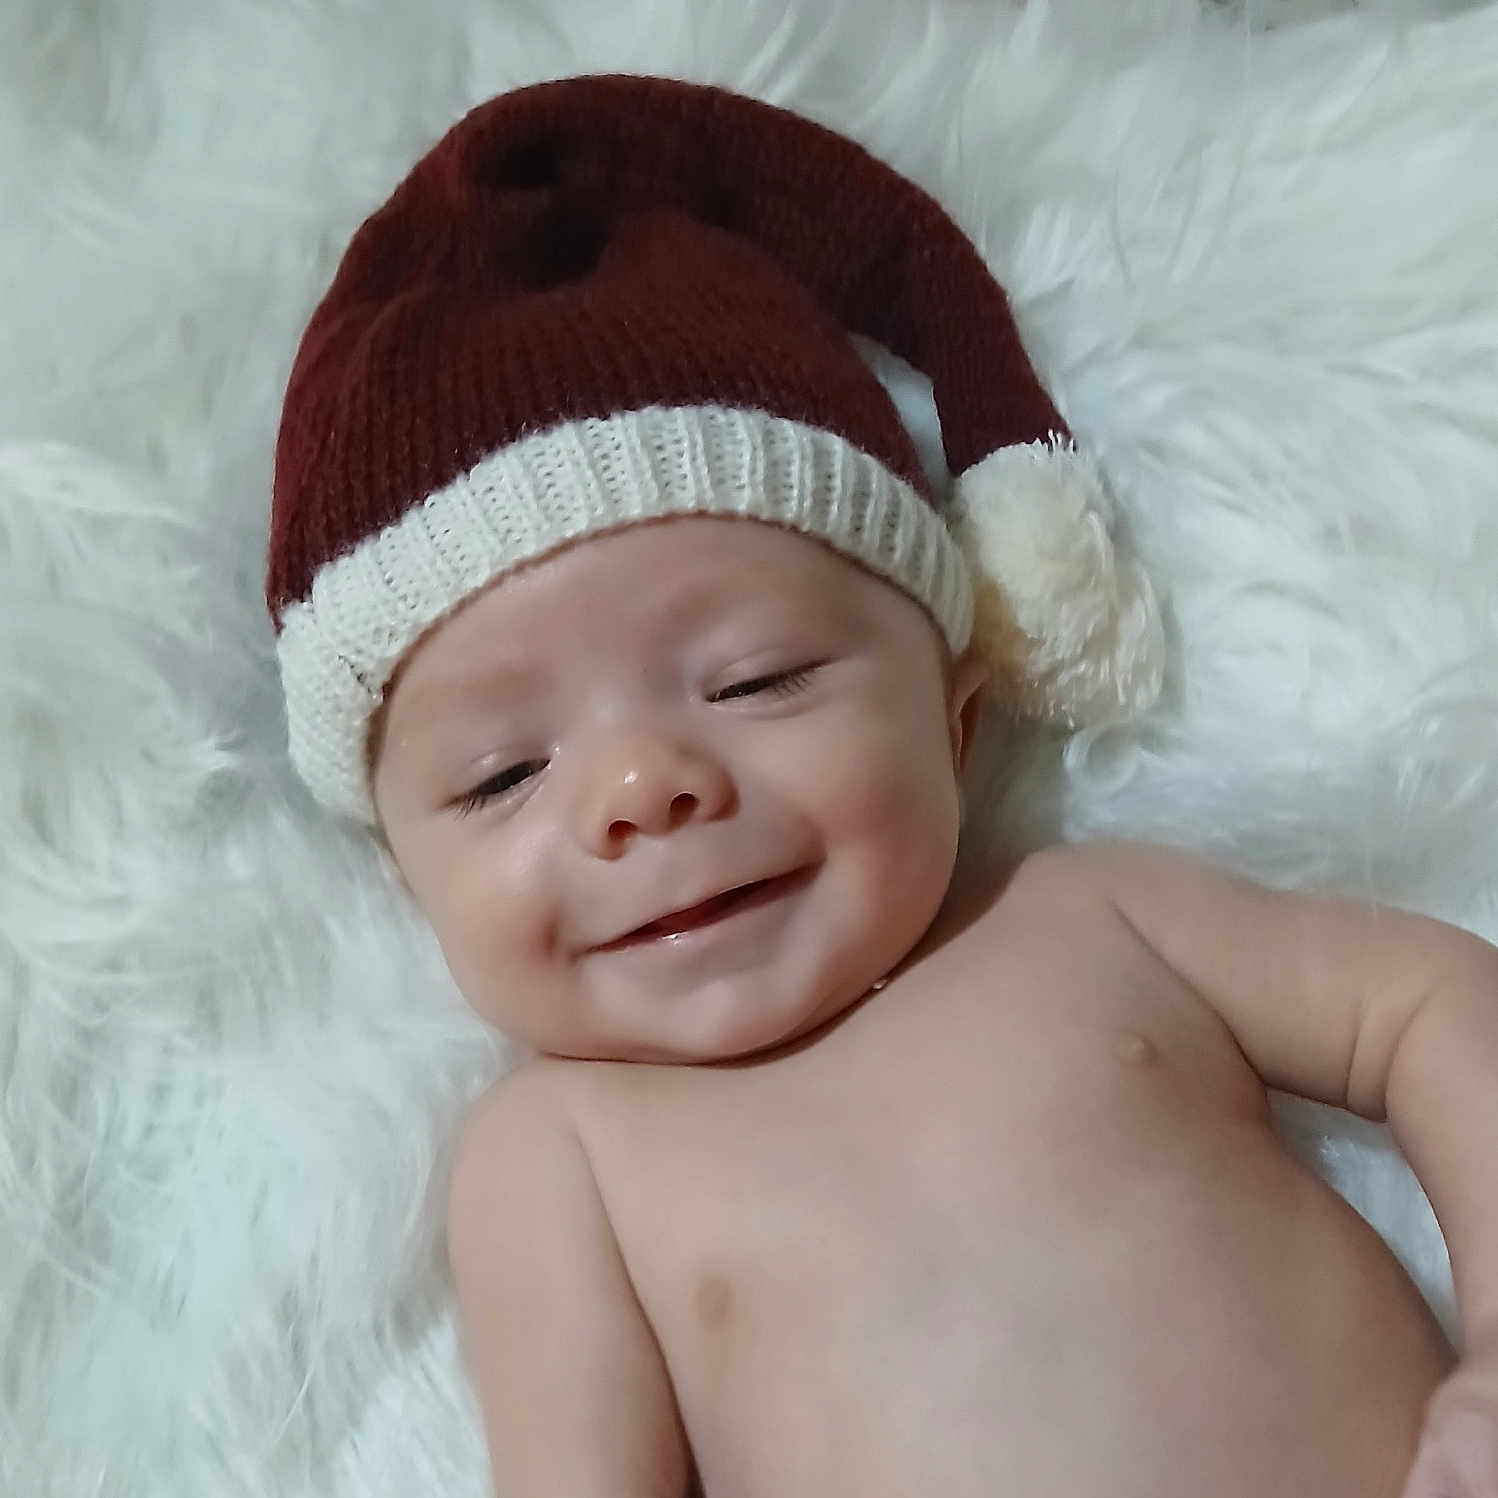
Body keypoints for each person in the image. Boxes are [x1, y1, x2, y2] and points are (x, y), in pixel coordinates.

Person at [267, 74, 1498, 1498]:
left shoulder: (1091, 917)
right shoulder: (563, 1156)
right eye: (501, 774)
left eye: (752, 678)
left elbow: (1433, 1000)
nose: (639, 787)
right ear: (400, 880)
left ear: (958, 716)